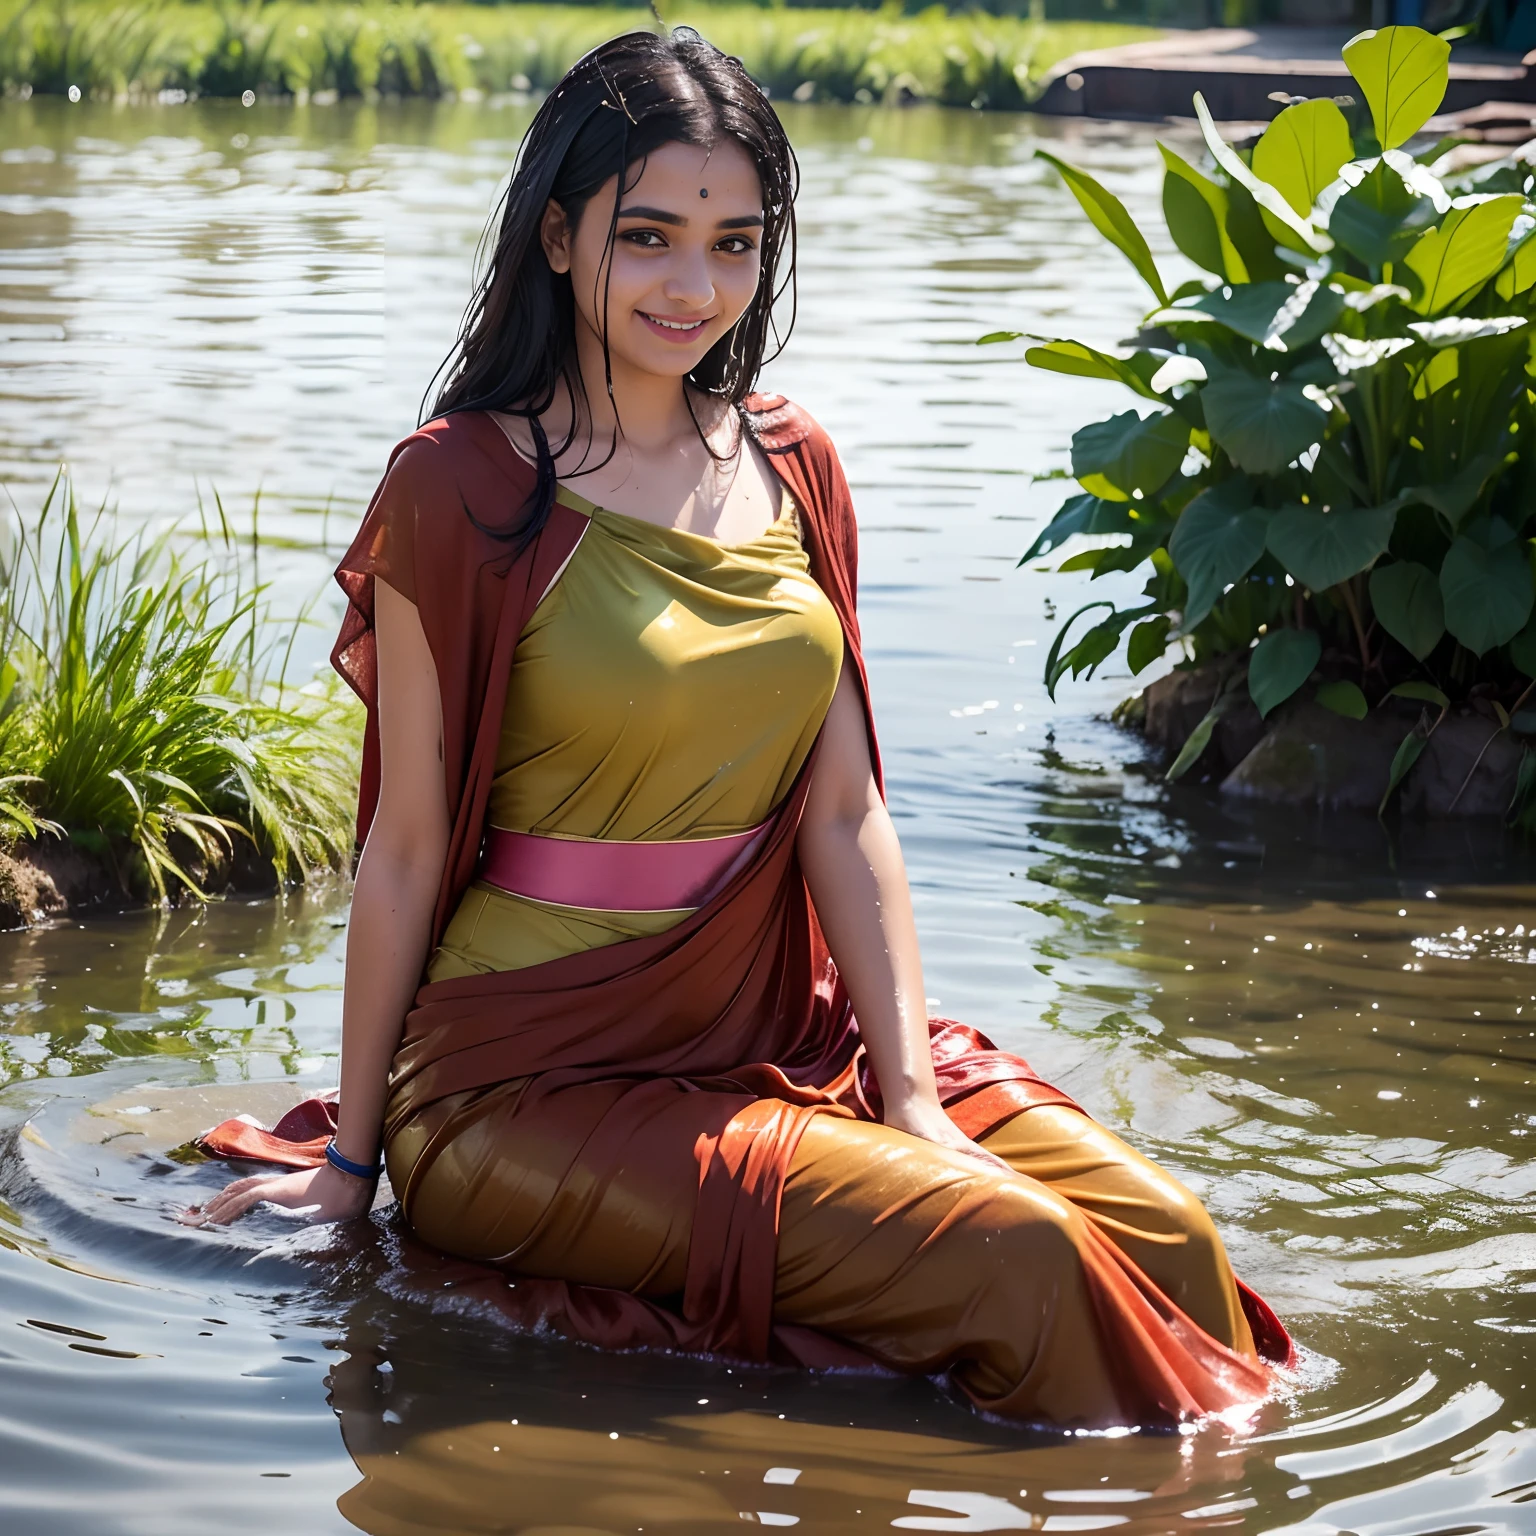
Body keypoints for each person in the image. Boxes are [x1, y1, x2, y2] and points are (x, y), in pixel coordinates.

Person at [189, 28, 1291, 1427]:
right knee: (1023, 1266)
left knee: (1173, 1244)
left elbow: (844, 814)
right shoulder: (461, 487)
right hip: (530, 1078)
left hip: (781, 1023)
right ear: (555, 234)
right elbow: (403, 851)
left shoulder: (794, 460)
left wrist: (912, 1101)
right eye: (647, 236)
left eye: (734, 241)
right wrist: (353, 1168)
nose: (694, 286)